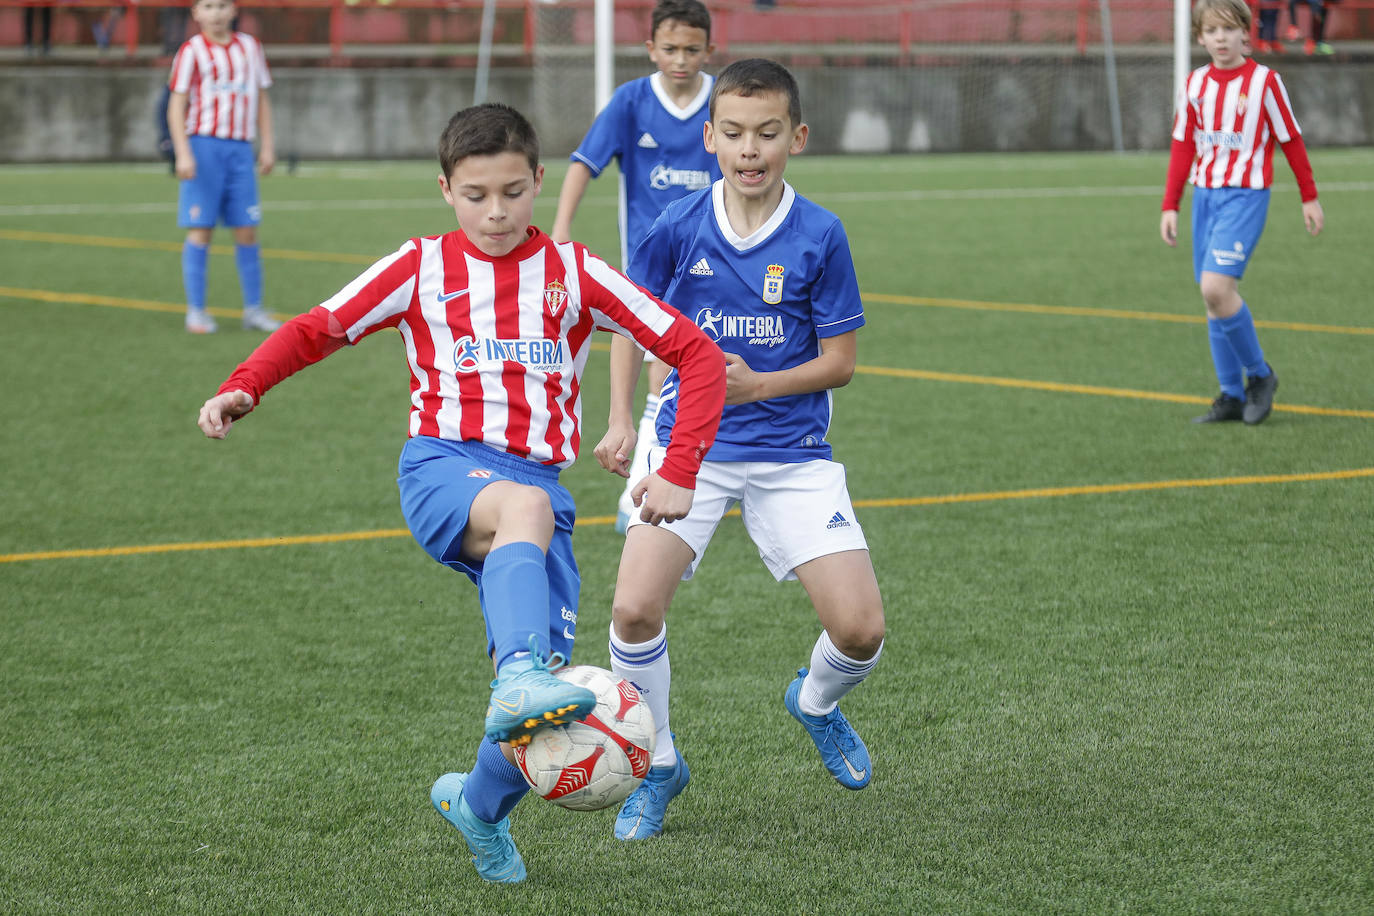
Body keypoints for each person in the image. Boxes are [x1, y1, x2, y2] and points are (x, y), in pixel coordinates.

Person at [196, 103, 726, 883]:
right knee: (527, 602)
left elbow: (696, 353)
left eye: (514, 192)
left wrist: (679, 466)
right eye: (476, 194)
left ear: (540, 182)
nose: (497, 211)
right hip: (443, 466)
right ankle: (517, 675)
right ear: (445, 189)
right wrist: (246, 385)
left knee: (547, 701)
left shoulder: (576, 274)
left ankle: (476, 808)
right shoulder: (418, 267)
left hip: (538, 488)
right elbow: (319, 327)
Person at [593, 58, 886, 841]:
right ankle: (657, 766)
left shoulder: (821, 233)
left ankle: (815, 701)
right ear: (709, 139)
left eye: (766, 134)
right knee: (630, 610)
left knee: (861, 631)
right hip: (687, 444)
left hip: (791, 449)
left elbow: (841, 364)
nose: (749, 149)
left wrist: (757, 387)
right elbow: (627, 321)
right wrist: (623, 418)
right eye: (732, 134)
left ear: (797, 137)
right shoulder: (676, 228)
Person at [550, 0, 721, 533]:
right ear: (650, 50)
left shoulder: (724, 100)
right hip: (654, 268)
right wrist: (560, 231)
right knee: (664, 373)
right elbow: (584, 164)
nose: (681, 59)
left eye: (692, 49)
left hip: (721, 260)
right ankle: (643, 487)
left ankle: (694, 474)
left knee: (711, 368)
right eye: (669, 48)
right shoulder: (630, 101)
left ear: (708, 51)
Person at [1160, 0, 1323, 425]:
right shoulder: (1195, 84)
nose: (1221, 38)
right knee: (1214, 301)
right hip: (1206, 197)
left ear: (1245, 34)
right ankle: (1231, 395)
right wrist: (1170, 204)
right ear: (1200, 38)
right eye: (1212, 31)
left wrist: (1309, 195)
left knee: (1217, 288)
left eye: (1229, 30)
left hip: (1246, 197)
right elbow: (1183, 145)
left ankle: (1261, 375)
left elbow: (1290, 139)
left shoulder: (1266, 83)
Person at [168, 0, 279, 334]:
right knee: (201, 228)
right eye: (208, 6)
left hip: (240, 150)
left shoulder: (250, 47)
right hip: (204, 146)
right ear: (196, 13)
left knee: (247, 229)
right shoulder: (191, 51)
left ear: (233, 10)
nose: (215, 13)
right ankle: (197, 312)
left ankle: (254, 310)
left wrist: (268, 145)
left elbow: (260, 98)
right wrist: (183, 152)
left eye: (221, 5)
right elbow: (177, 105)